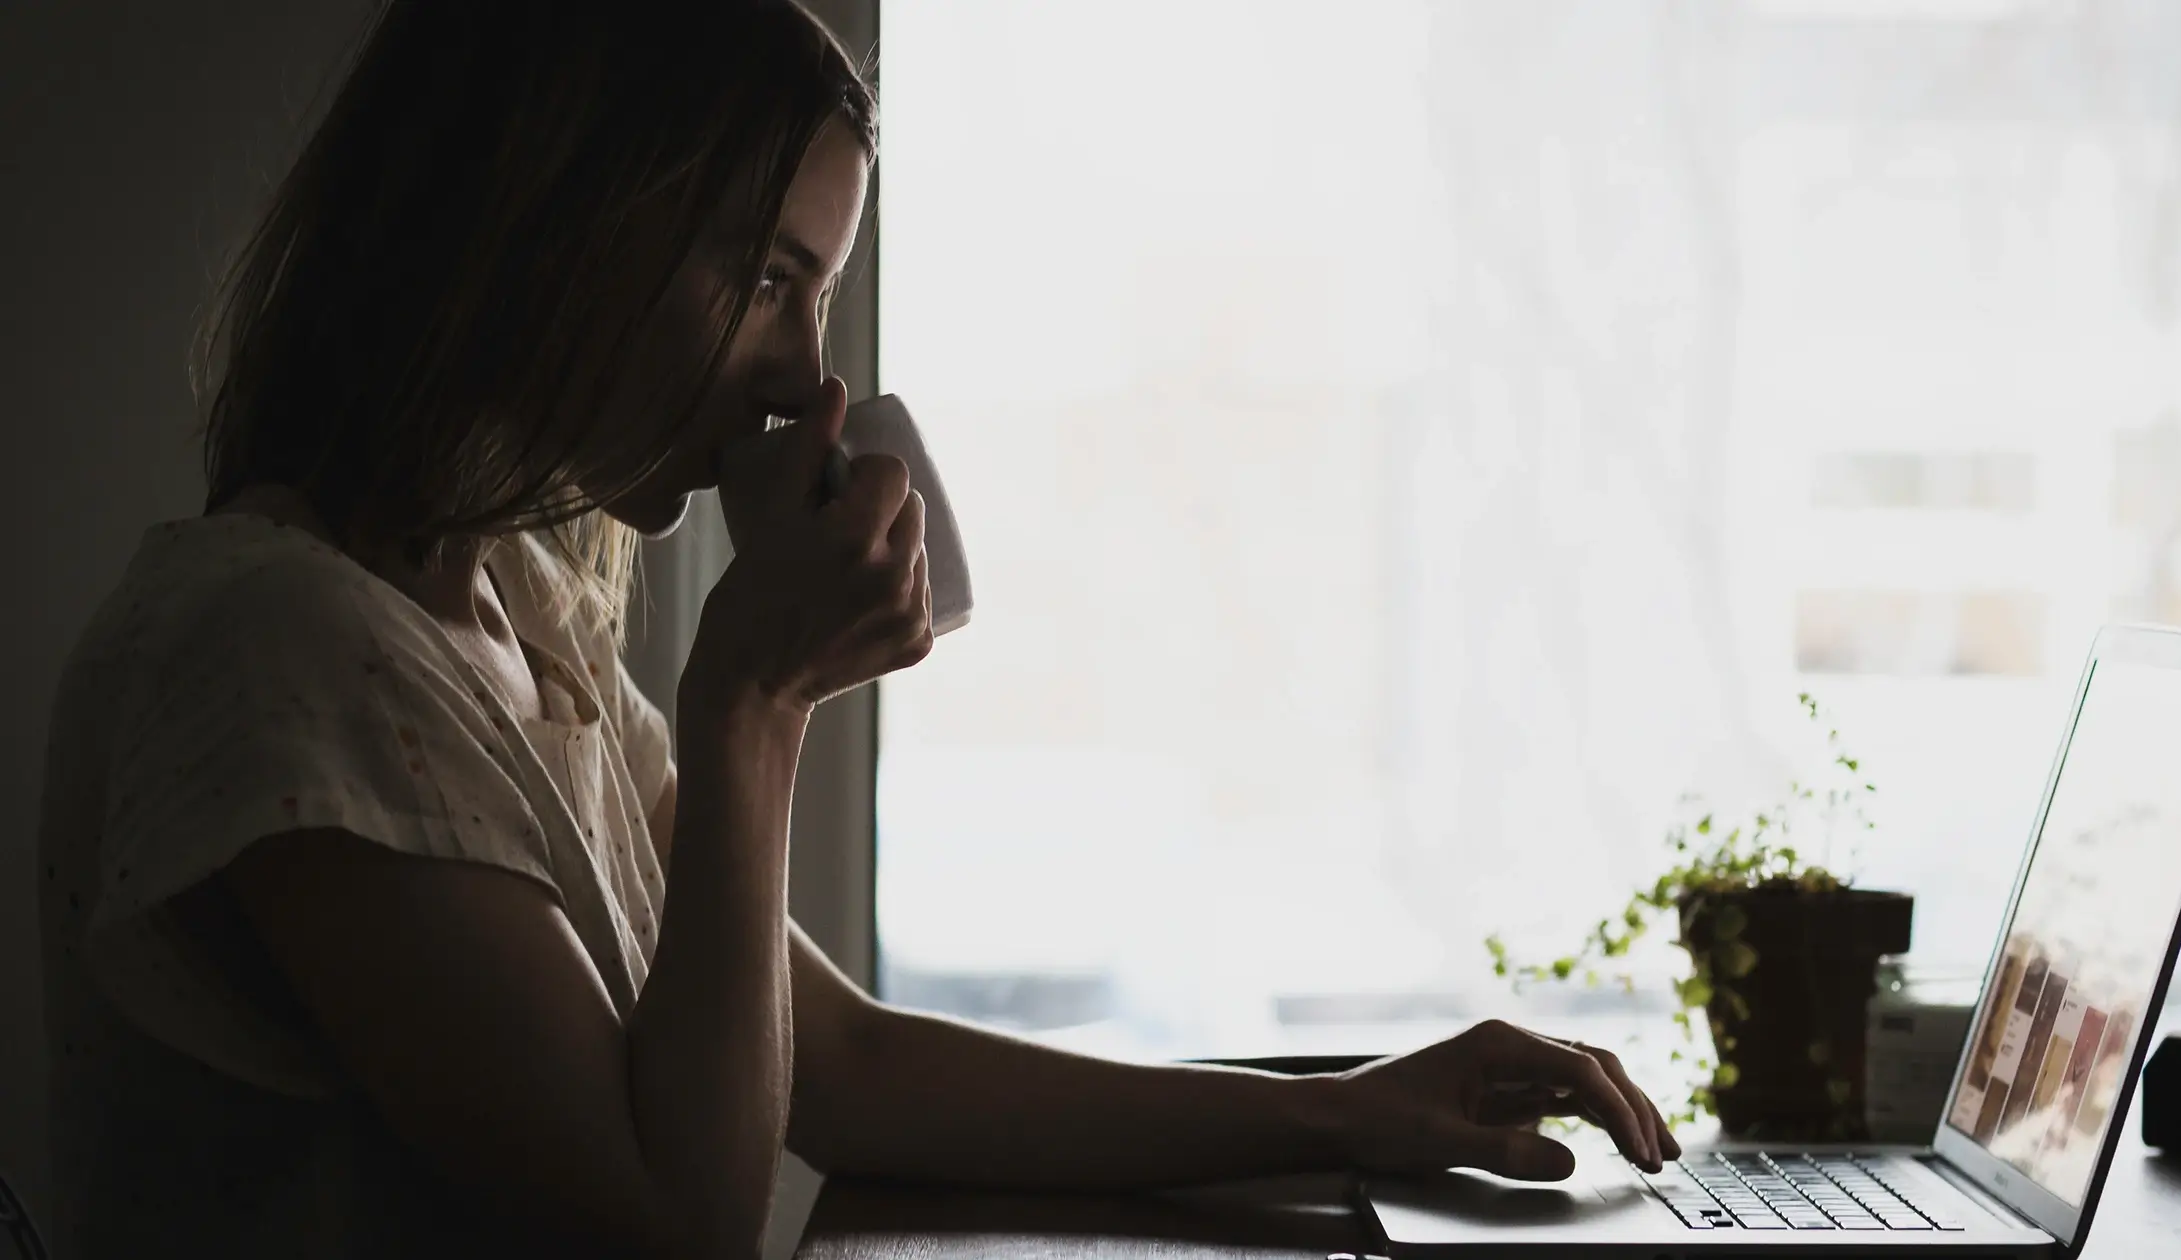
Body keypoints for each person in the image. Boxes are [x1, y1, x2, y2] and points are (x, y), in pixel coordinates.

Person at [35, 2, 1679, 1256]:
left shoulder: (512, 626)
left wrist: (1356, 1108)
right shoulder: (278, 650)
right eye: (765, 275)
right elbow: (674, 1223)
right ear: (548, 227)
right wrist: (755, 701)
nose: (808, 375)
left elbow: (838, 1060)